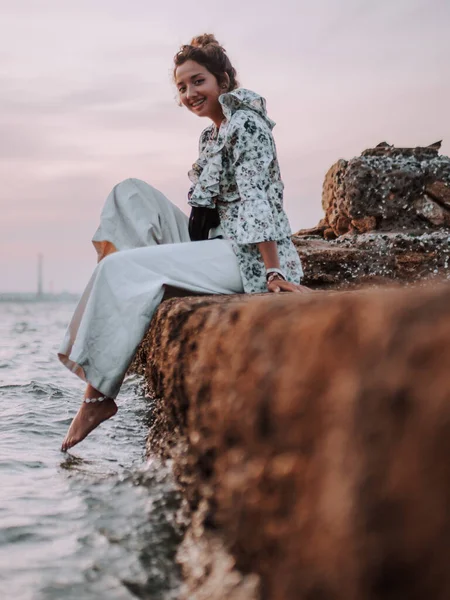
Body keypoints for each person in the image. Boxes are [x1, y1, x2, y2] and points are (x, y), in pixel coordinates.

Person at [59, 34, 308, 452]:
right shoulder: (211, 136)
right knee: (129, 192)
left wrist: (274, 270)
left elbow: (257, 197)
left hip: (245, 256)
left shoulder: (245, 124)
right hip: (210, 241)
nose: (191, 93)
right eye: (182, 87)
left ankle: (98, 397)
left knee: (117, 269)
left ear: (223, 80)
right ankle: (133, 295)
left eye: (199, 81)